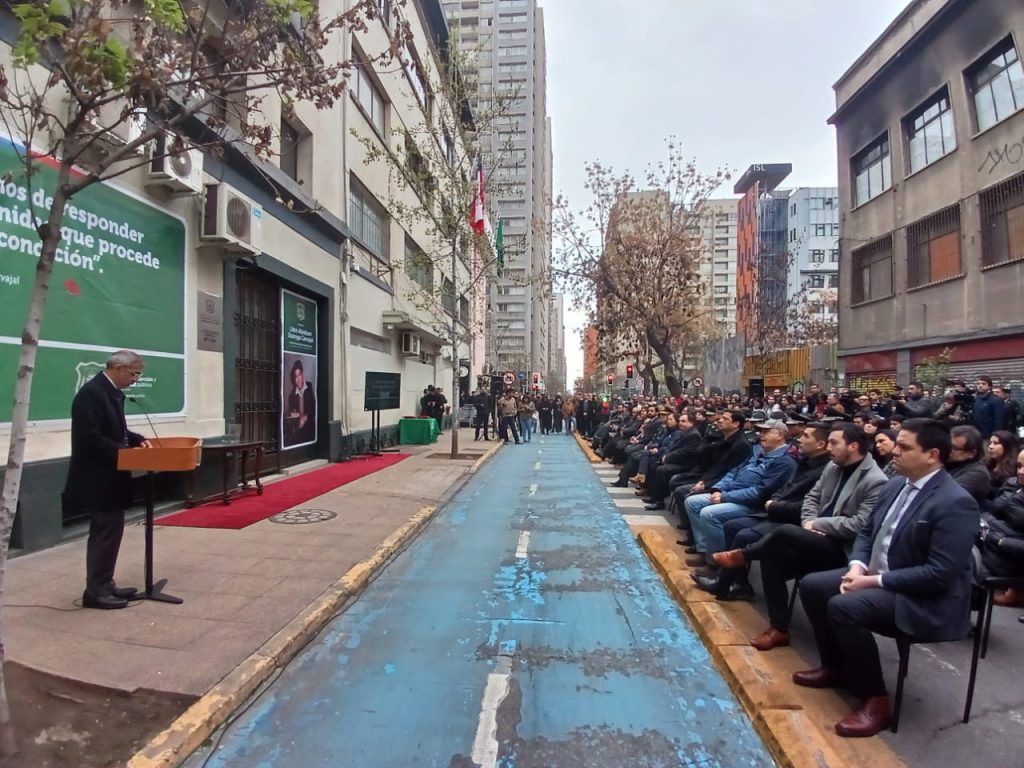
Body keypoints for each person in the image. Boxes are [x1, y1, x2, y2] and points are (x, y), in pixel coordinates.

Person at [794, 419, 979, 737]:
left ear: (932, 454)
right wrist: (856, 567)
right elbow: (867, 531)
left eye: (904, 447)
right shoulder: (895, 484)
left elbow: (940, 573)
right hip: (875, 575)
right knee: (813, 585)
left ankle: (875, 700)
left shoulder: (956, 502)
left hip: (921, 597)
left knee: (844, 606)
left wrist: (871, 582)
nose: (894, 451)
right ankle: (836, 667)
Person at [63, 350, 152, 610]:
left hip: (112, 477)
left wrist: (135, 439)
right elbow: (90, 440)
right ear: (117, 368)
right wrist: (125, 452)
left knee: (111, 532)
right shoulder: (92, 394)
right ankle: (96, 592)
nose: (136, 379)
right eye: (134, 373)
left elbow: (115, 429)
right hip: (97, 479)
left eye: (139, 374)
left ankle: (106, 583)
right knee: (104, 533)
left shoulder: (110, 391)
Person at [286, 360, 316, 445]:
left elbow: (313, 408)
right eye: (295, 377)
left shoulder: (309, 387)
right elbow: (292, 413)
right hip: (298, 429)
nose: (298, 379)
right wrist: (294, 415)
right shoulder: (292, 395)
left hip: (310, 426)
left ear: (302, 375)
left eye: (299, 375)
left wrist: (305, 418)